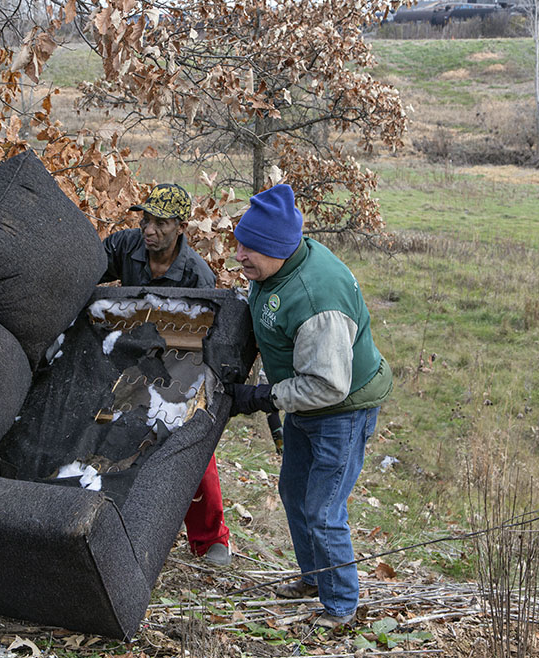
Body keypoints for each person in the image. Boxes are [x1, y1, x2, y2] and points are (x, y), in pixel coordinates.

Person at [227, 183, 392, 628]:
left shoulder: (318, 301)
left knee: (323, 509)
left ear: (279, 249)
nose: (239, 255)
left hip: (342, 410)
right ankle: (314, 578)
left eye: (250, 249)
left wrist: (263, 397)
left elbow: (328, 386)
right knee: (293, 492)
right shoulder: (273, 270)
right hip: (306, 405)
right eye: (239, 243)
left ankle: (341, 606)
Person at [101, 183, 232, 566]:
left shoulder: (197, 275)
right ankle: (115, 525)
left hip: (180, 363)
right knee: (108, 429)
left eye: (159, 223)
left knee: (188, 444)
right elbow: (90, 266)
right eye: (146, 220)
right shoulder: (126, 247)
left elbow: (202, 339)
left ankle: (211, 540)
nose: (149, 230)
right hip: (129, 357)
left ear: (179, 227)